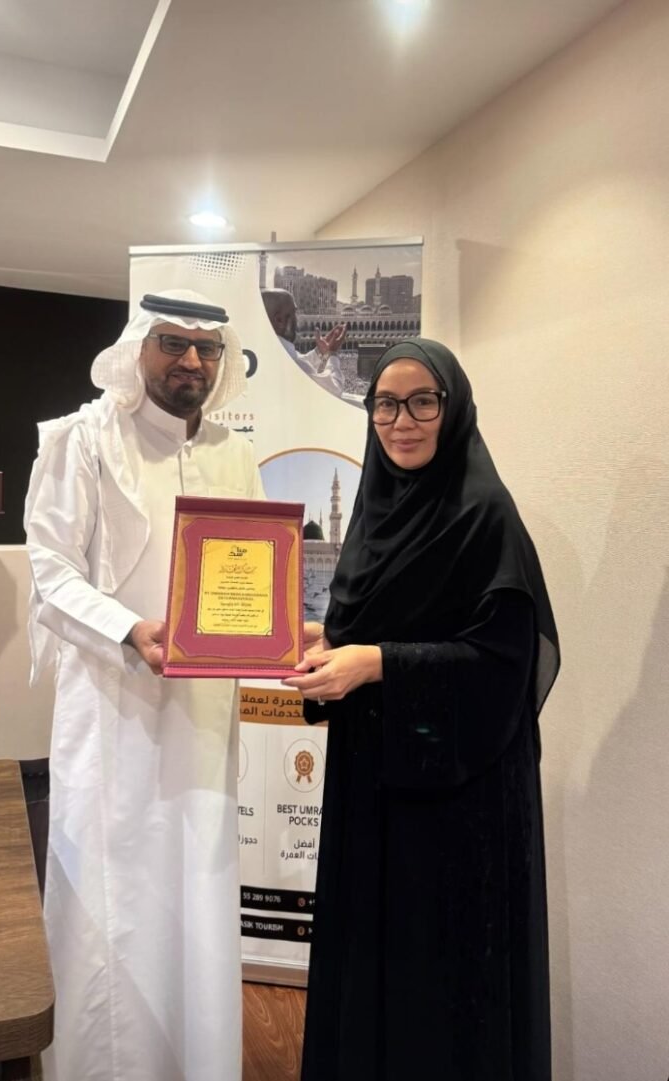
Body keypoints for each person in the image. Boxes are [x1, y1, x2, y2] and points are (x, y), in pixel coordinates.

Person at [283, 338, 560, 1081]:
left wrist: (376, 663)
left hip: (456, 806)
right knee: (373, 966)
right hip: (374, 785)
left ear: (453, 408)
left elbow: (503, 665)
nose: (401, 421)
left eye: (422, 402)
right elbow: (380, 617)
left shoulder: (484, 516)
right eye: (385, 404)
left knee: (437, 988)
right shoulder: (376, 510)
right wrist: (328, 638)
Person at [24, 289, 265, 1081]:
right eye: (173, 343)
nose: (191, 360)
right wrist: (129, 629)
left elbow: (253, 571)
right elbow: (50, 570)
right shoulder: (81, 439)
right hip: (114, 713)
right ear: (138, 348)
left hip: (202, 716)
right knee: (113, 898)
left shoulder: (234, 455)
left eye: (207, 347)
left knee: (197, 892)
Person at [261, 287, 346, 397]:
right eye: (294, 313)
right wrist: (332, 354)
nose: (298, 319)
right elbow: (334, 390)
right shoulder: (293, 365)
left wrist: (319, 352)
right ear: (279, 320)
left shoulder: (265, 350)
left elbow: (298, 359)